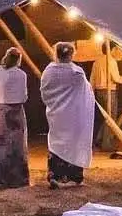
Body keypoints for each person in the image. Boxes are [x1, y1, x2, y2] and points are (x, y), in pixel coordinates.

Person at [40, 42, 94, 187]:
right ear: (71, 54)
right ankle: (72, 177)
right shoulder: (77, 73)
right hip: (74, 116)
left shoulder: (49, 71)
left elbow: (45, 92)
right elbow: (87, 93)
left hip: (57, 115)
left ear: (56, 53)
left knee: (57, 142)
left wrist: (56, 104)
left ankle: (55, 175)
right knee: (73, 143)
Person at [0, 46, 29, 189]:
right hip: (16, 111)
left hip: (0, 110)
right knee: (16, 145)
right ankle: (17, 179)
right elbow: (24, 95)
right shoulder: (21, 74)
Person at [91, 41, 122, 153]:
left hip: (99, 92)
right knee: (110, 118)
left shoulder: (96, 62)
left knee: (103, 118)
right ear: (112, 49)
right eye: (117, 49)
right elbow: (116, 79)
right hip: (109, 91)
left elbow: (92, 80)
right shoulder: (111, 61)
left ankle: (98, 139)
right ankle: (106, 143)